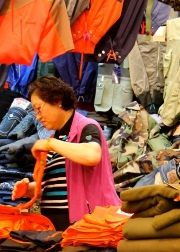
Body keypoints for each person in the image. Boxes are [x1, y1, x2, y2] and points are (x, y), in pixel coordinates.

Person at [12, 76, 121, 230]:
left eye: (39, 108)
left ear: (58, 100)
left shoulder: (87, 127)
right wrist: (30, 190)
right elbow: (60, 184)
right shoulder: (55, 137)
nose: (37, 116)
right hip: (57, 228)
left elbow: (92, 155)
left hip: (88, 225)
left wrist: (51, 144)